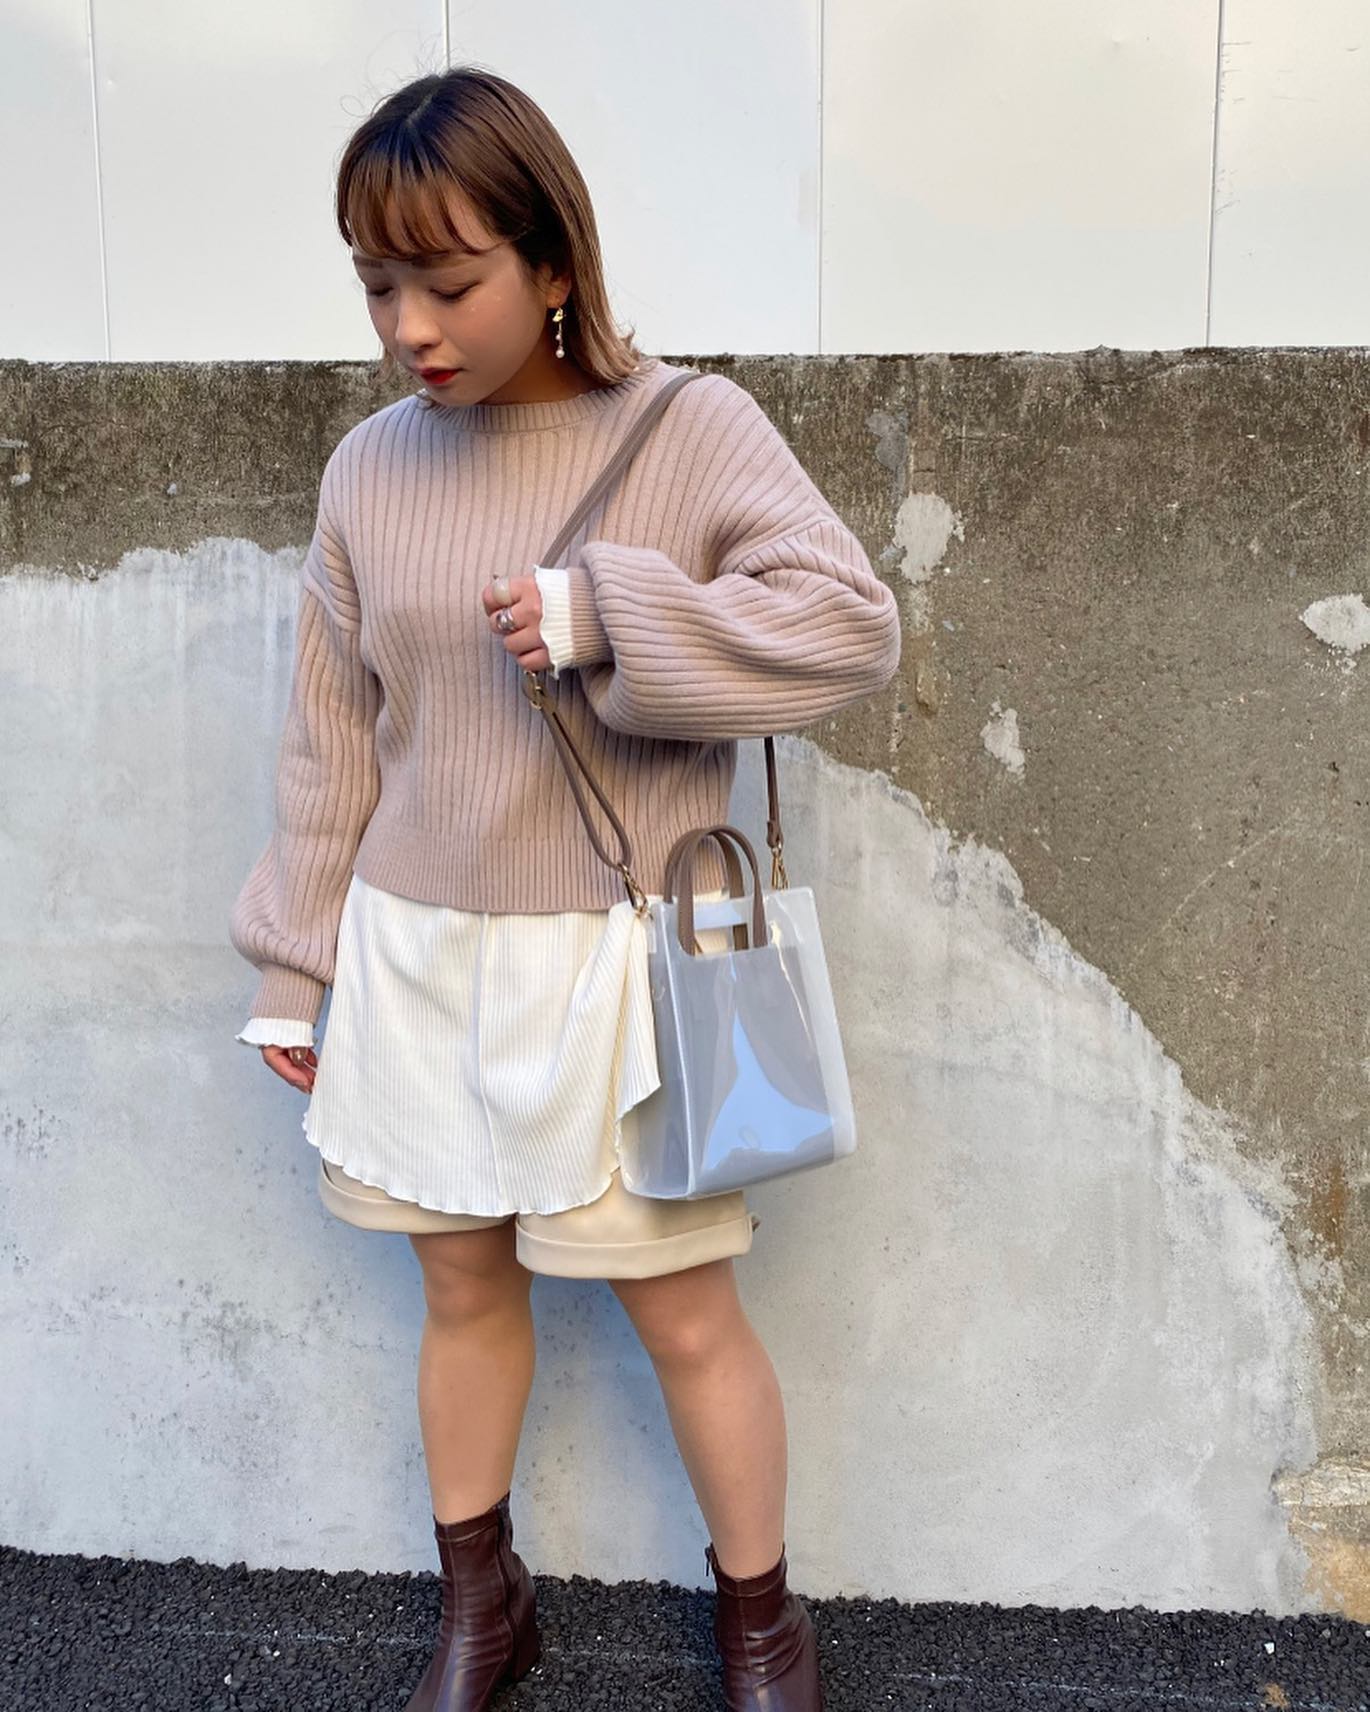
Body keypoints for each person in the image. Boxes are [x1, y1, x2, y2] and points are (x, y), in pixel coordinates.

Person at [228, 64, 901, 1712]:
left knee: (683, 1312)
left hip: (617, 966)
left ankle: (763, 1629)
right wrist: (293, 965)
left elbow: (848, 629)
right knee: (461, 1294)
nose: (409, 327)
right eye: (377, 286)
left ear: (551, 263)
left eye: (447, 281)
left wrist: (611, 615)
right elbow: (333, 739)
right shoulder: (366, 468)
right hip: (416, 955)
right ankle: (485, 1608)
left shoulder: (689, 428)